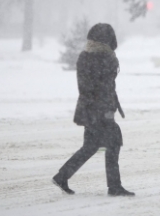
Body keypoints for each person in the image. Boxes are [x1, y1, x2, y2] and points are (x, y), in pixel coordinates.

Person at [52, 23, 135, 197]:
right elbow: (104, 88)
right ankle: (114, 186)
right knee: (113, 142)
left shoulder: (85, 56)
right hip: (100, 110)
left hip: (88, 109)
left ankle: (62, 176)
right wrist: (107, 109)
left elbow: (89, 87)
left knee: (90, 146)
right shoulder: (104, 57)